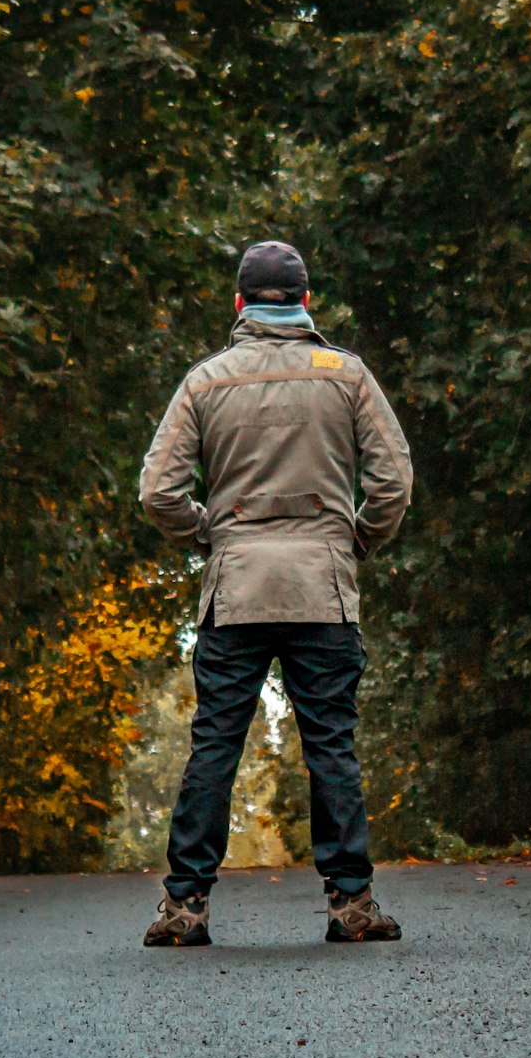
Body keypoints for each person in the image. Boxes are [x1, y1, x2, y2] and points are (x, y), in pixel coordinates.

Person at [136, 240, 415, 946]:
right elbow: (394, 480)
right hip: (321, 588)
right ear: (304, 301)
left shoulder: (206, 381)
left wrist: (210, 534)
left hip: (236, 592)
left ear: (239, 304)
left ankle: (184, 908)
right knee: (330, 745)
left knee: (214, 746)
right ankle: (351, 906)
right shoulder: (346, 376)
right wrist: (355, 542)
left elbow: (158, 493)